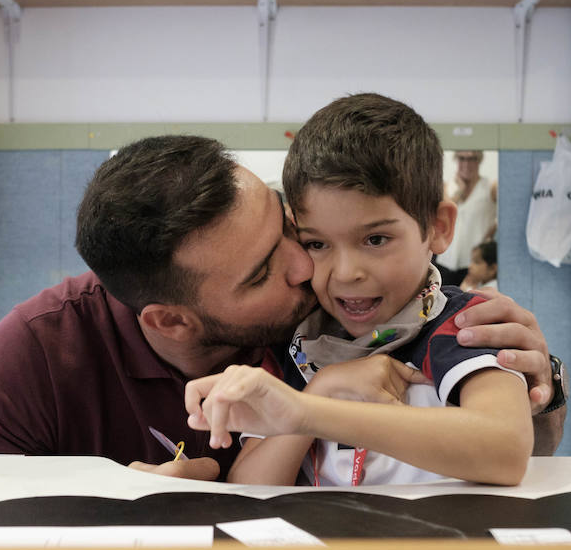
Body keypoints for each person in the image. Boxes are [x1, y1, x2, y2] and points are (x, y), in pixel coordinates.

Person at [0, 134, 565, 481]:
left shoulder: (332, 310)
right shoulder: (39, 351)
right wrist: (113, 508)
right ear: (171, 320)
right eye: (264, 271)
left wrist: (543, 387)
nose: (312, 269)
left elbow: (515, 452)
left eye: (289, 229)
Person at [184, 94, 533, 486]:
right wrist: (318, 392)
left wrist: (307, 411)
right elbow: (250, 486)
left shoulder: (463, 324)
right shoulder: (301, 343)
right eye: (316, 244)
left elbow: (506, 449)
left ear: (438, 227)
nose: (346, 273)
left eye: (376, 239)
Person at [434, 150, 496, 286]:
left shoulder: (489, 187)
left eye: (472, 159)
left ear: (479, 161)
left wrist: (492, 231)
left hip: (473, 265)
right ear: (457, 160)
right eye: (462, 159)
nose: (466, 164)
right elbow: (441, 214)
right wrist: (459, 191)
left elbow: (509, 212)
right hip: (446, 260)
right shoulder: (447, 187)